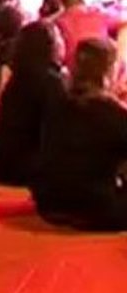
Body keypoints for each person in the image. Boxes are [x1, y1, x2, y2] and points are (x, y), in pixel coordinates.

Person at [33, 38, 127, 231]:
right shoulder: (115, 114)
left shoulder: (56, 104)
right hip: (95, 209)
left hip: (48, 204)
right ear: (109, 71)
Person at [0, 21, 66, 186]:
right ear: (50, 46)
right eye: (59, 38)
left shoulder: (18, 78)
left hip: (2, 167)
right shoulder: (50, 82)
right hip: (25, 171)